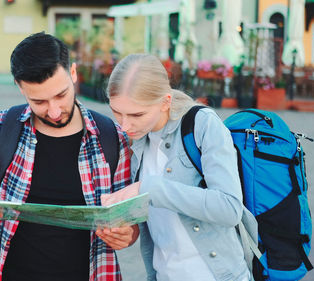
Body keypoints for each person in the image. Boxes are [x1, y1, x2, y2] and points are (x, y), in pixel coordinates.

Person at [0, 32, 138, 281]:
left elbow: (131, 224)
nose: (54, 111)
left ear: (73, 73)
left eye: (61, 95)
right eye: (39, 101)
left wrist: (126, 235)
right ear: (20, 86)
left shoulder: (111, 136)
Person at [98, 54, 255, 281]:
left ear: (165, 101)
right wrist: (122, 231)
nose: (124, 125)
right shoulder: (133, 141)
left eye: (136, 114)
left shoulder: (202, 124)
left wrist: (149, 188)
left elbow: (229, 208)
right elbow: (148, 222)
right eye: (117, 112)